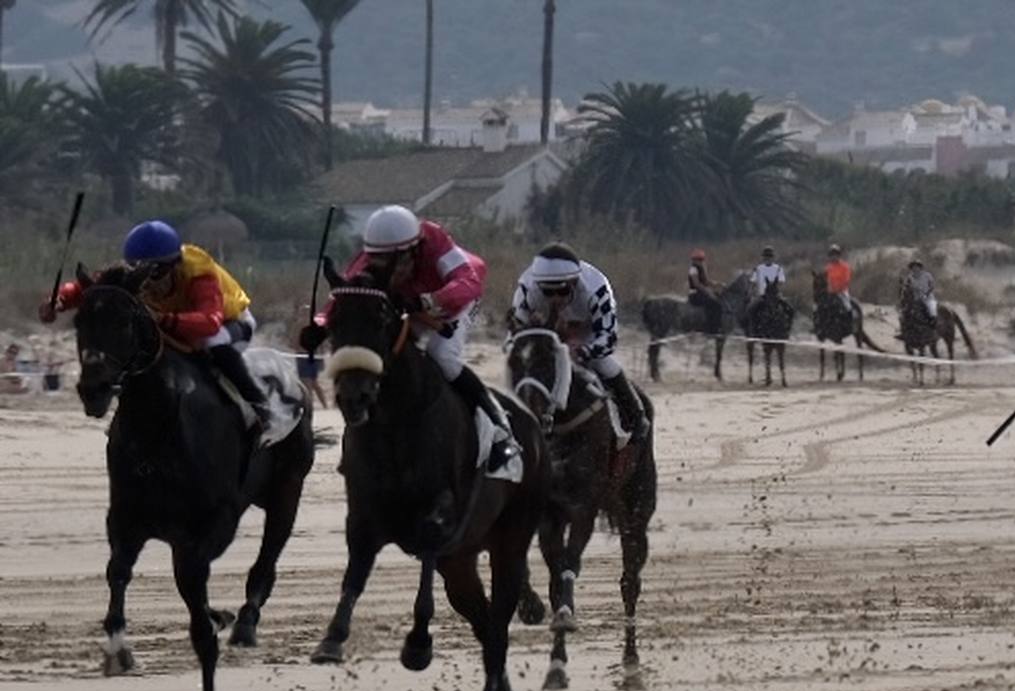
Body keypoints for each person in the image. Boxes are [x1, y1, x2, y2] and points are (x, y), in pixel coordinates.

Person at [301, 204, 518, 471]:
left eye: (394, 264)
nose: (387, 273)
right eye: (376, 263)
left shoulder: (434, 241)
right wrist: (319, 326)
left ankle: (499, 426)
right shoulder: (369, 259)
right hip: (408, 302)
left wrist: (427, 300)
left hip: (452, 303)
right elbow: (346, 298)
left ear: (414, 250)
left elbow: (468, 281)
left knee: (442, 356)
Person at [41, 220, 271, 428]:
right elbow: (90, 288)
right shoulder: (137, 273)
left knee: (212, 340)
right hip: (176, 324)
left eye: (154, 273)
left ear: (173, 264)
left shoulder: (199, 273)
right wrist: (59, 301)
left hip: (230, 323)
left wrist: (163, 319)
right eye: (141, 272)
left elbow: (209, 322)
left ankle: (257, 403)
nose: (147, 281)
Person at [509, 242, 649, 441]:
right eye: (547, 292)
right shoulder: (526, 288)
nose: (555, 298)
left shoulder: (597, 289)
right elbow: (514, 334)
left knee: (603, 363)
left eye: (562, 291)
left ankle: (636, 414)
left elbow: (608, 339)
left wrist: (584, 351)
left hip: (588, 332)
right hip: (547, 335)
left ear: (574, 282)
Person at [687, 249, 721, 328]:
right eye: (699, 260)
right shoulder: (693, 270)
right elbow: (697, 284)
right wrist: (707, 292)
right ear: (694, 260)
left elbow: (706, 282)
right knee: (714, 304)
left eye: (702, 260)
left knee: (719, 297)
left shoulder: (701, 269)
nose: (701, 262)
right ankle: (712, 325)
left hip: (702, 293)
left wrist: (717, 284)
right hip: (695, 294)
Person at [824, 243, 859, 322]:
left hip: (841, 291)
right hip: (830, 292)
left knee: (846, 304)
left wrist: (839, 288)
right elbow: (824, 280)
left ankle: (851, 320)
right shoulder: (828, 268)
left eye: (835, 254)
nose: (833, 257)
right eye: (832, 255)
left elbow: (846, 280)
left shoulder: (845, 266)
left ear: (838, 255)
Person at [750, 246, 786, 314]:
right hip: (761, 296)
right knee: (750, 311)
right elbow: (753, 282)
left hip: (775, 296)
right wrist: (752, 292)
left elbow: (781, 282)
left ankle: (790, 323)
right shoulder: (758, 268)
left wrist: (773, 286)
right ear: (763, 257)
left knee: (790, 309)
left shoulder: (778, 268)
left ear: (773, 257)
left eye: (770, 256)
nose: (768, 258)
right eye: (766, 256)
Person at [903, 259, 938, 325]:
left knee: (931, 307)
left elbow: (932, 286)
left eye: (916, 267)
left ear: (920, 267)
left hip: (927, 297)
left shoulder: (927, 275)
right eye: (913, 267)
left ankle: (933, 323)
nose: (915, 269)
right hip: (915, 298)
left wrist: (926, 294)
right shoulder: (909, 277)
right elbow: (906, 287)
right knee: (906, 311)